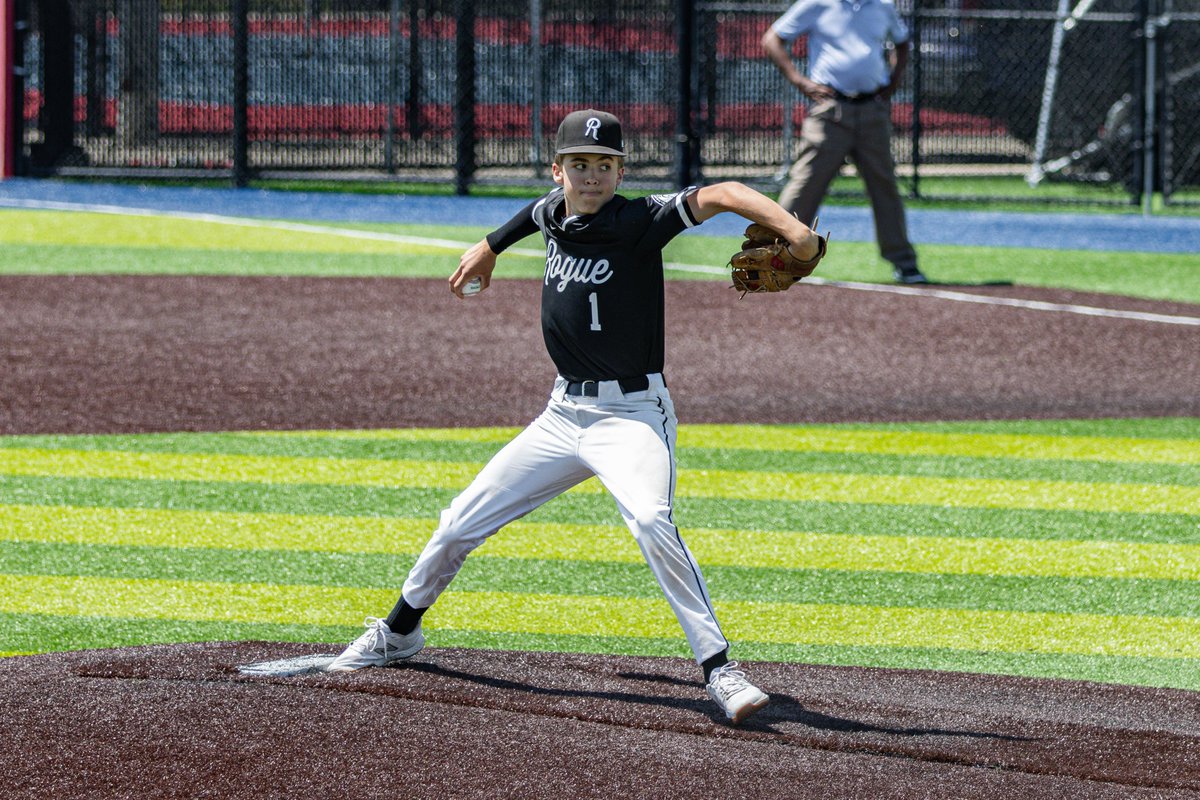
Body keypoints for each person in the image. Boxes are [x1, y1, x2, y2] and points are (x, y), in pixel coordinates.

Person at [328, 109, 824, 726]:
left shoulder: (639, 221)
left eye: (606, 165)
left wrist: (795, 234)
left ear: (622, 170)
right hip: (562, 414)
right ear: (558, 169)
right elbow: (529, 215)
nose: (593, 176)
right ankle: (399, 634)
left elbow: (723, 194)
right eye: (580, 165)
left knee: (650, 520)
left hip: (632, 416)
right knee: (459, 523)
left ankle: (719, 670)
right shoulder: (552, 213)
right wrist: (486, 249)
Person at [762, 0, 929, 284]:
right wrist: (800, 82)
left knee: (884, 186)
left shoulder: (883, 5)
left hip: (872, 111)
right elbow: (772, 39)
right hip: (830, 111)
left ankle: (904, 263)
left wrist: (893, 82)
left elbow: (902, 43)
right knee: (805, 184)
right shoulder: (817, 3)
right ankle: (775, 255)